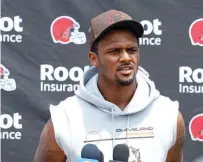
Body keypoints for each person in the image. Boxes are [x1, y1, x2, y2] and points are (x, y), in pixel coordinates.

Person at [34, 9, 185, 162]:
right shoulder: (63, 119)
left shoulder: (169, 116)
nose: (126, 58)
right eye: (114, 51)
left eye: (131, 50)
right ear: (94, 59)